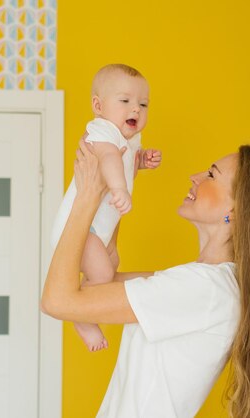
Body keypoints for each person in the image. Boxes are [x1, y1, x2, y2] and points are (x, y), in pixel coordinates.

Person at [41, 142, 250, 417]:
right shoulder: (204, 285)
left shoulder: (205, 290)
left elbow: (57, 300)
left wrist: (86, 199)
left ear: (240, 210)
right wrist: (117, 192)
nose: (195, 177)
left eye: (211, 174)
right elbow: (99, 283)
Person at [51, 64, 162, 351]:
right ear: (98, 106)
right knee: (101, 276)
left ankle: (81, 302)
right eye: (125, 101)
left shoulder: (129, 139)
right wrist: (119, 188)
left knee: (110, 267)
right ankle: (81, 317)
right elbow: (110, 157)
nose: (135, 109)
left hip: (101, 229)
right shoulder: (101, 130)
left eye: (143, 104)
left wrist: (141, 160)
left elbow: (125, 160)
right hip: (81, 226)